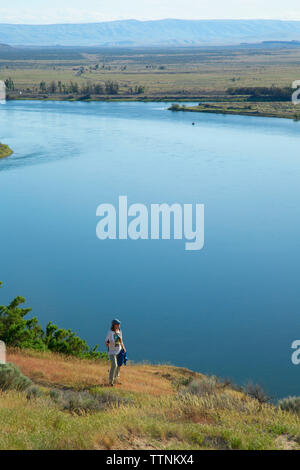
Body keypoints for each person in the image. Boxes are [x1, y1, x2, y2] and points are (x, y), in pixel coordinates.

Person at [105, 318, 126, 386]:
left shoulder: (119, 331)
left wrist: (123, 348)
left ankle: (117, 379)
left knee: (119, 366)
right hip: (112, 352)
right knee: (114, 365)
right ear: (114, 325)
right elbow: (106, 341)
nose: (118, 325)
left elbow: (120, 340)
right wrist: (107, 344)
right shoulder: (110, 332)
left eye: (119, 324)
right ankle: (111, 381)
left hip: (119, 350)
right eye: (117, 324)